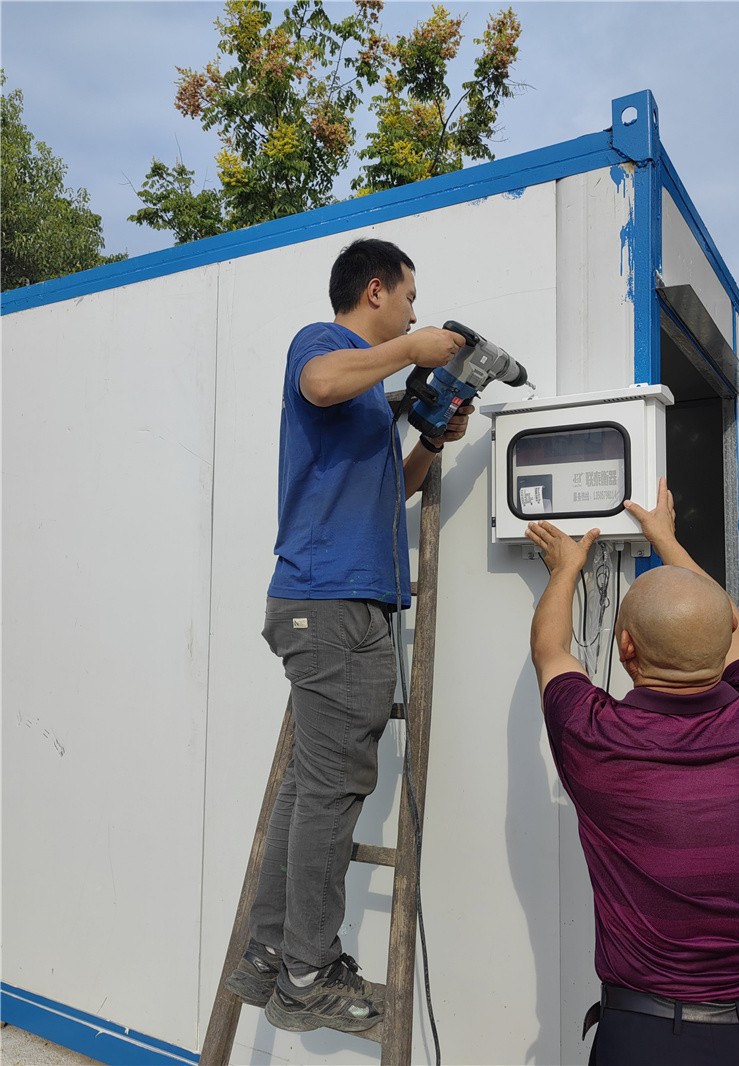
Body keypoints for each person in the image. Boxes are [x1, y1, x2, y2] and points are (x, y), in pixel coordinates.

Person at [224, 238, 471, 1034]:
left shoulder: (366, 400)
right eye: (408, 297)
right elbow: (321, 381)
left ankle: (269, 951)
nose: (412, 310)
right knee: (332, 792)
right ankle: (307, 972)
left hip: (338, 600)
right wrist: (411, 351)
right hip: (331, 604)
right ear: (375, 290)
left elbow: (391, 491)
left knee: (309, 788)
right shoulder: (323, 345)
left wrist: (431, 441)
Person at [526, 477, 739, 1066]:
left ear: (625, 648)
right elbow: (732, 626)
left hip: (644, 1039)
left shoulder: (596, 739)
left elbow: (550, 650)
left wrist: (564, 570)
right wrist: (666, 540)